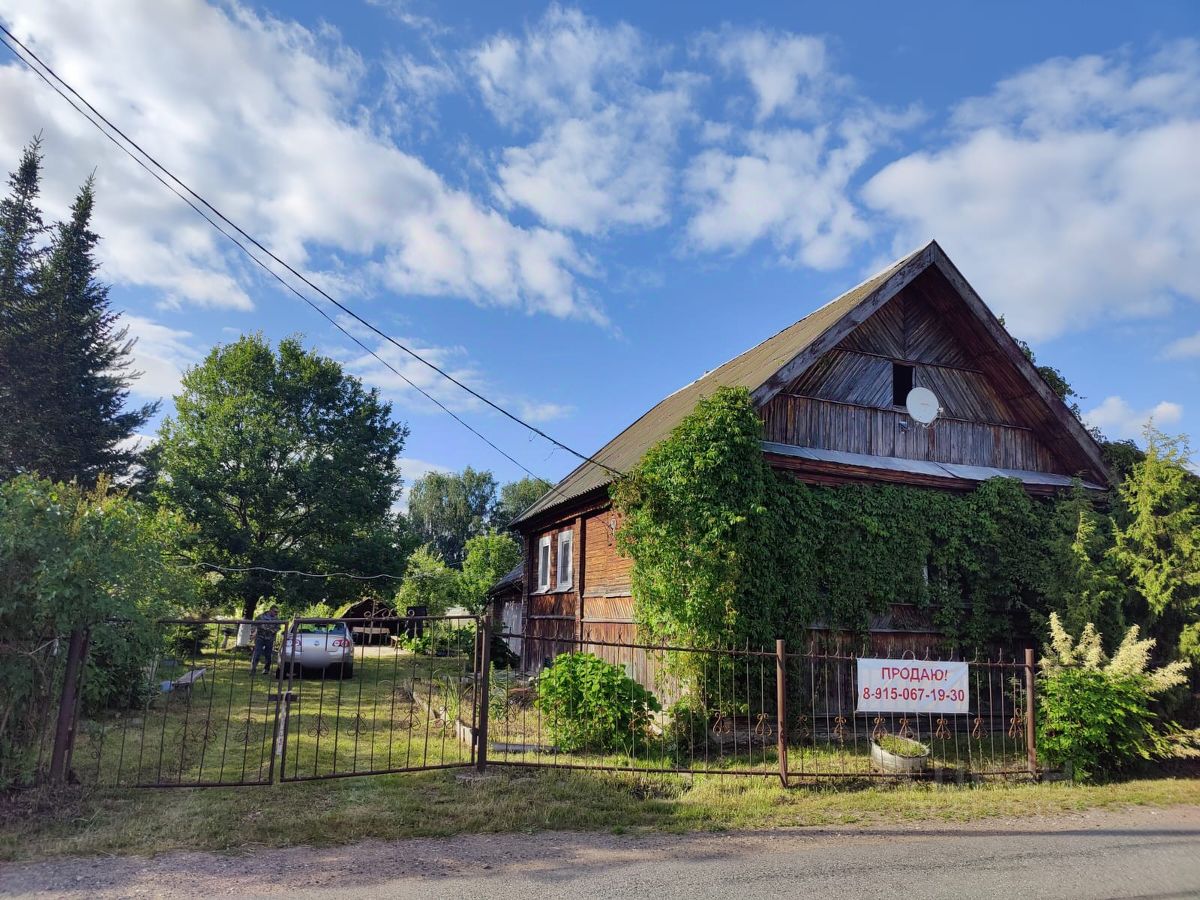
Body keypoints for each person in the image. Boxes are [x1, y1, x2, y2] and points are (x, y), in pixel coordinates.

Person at [250, 605, 281, 675]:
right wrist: (253, 632)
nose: (276, 613)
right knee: (257, 653)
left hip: (269, 639)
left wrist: (272, 630)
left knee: (268, 655)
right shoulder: (261, 617)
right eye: (275, 612)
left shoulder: (277, 619)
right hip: (260, 637)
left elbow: (278, 628)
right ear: (270, 610)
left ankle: (266, 669)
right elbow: (254, 624)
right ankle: (253, 669)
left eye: (277, 612)